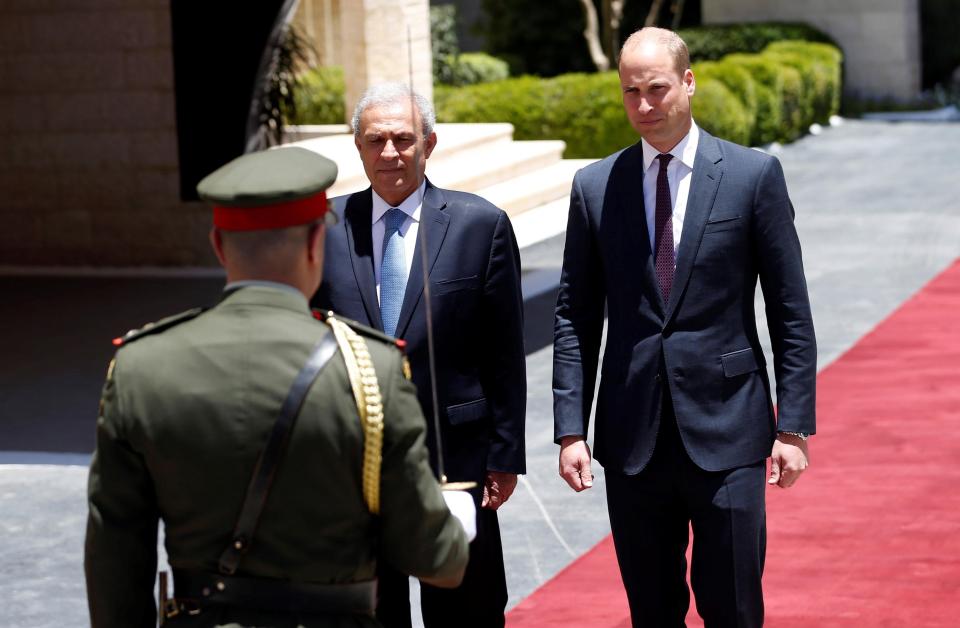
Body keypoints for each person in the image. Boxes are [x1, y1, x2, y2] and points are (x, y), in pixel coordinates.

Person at [84, 146, 473, 628]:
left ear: (218, 246)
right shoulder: (370, 368)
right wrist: (456, 520)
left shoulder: (139, 366)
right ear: (316, 244)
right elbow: (436, 560)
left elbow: (115, 558)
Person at [553, 27, 817, 627]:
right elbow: (574, 315)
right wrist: (570, 429)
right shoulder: (595, 188)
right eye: (631, 92)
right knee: (652, 610)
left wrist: (794, 426)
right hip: (631, 438)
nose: (644, 106)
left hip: (729, 430)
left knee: (734, 607)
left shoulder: (753, 176)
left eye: (657, 89)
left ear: (689, 83)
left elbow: (789, 309)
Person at [313, 83, 526, 628]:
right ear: (357, 147)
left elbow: (504, 350)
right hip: (352, 466)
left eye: (404, 139)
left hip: (456, 461)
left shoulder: (481, 225)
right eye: (375, 140)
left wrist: (504, 455)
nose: (390, 153)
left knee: (465, 608)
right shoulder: (324, 229)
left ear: (429, 144)